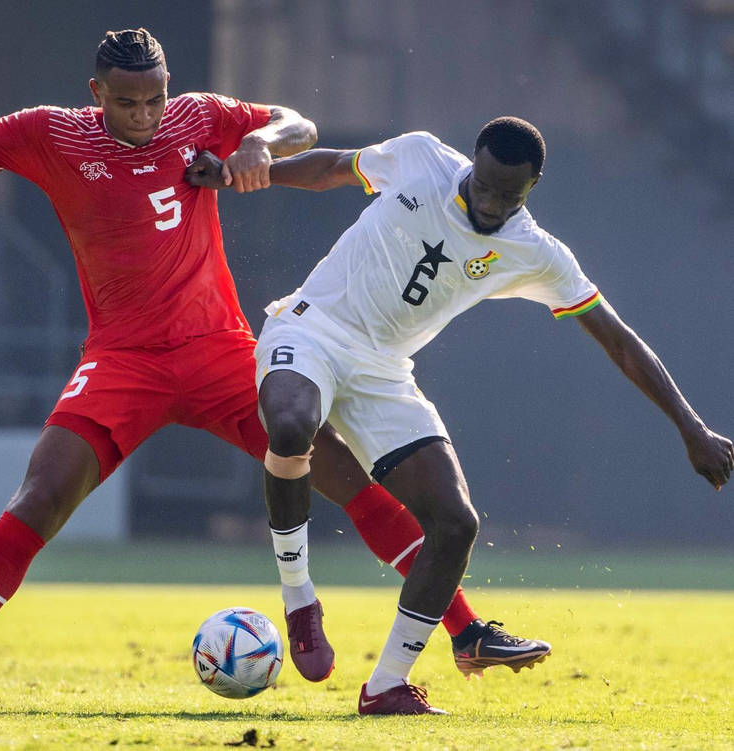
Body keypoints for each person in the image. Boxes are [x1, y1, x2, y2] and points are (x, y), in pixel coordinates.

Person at [0, 30, 547, 711]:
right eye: (127, 102)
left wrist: (259, 147)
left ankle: (464, 630)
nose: (146, 116)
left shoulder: (199, 117)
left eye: (155, 99)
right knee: (40, 497)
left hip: (223, 353)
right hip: (123, 361)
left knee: (343, 473)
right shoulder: (49, 133)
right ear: (96, 93)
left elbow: (296, 125)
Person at [188, 116, 734, 715]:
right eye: (486, 185)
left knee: (456, 523)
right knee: (291, 426)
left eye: (510, 195)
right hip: (311, 327)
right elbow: (332, 167)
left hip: (383, 372)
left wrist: (690, 426)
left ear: (532, 188)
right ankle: (299, 599)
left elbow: (619, 340)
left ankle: (388, 686)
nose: (492, 202)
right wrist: (248, 175)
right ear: (471, 162)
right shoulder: (421, 157)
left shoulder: (536, 252)